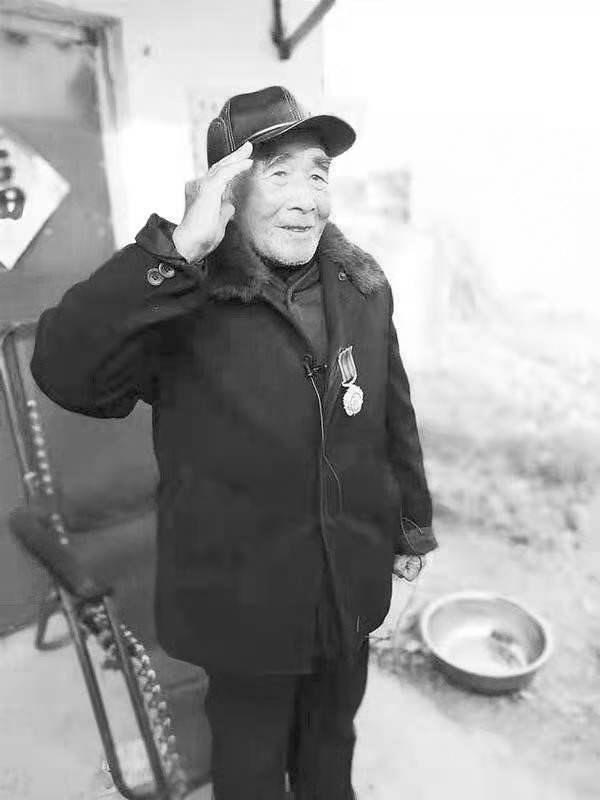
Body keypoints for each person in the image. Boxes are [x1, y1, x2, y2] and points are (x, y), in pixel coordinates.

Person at [30, 85, 438, 800]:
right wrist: (177, 248)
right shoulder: (180, 299)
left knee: (332, 742)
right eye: (279, 173)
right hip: (244, 605)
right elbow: (66, 371)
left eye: (319, 174)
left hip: (347, 581)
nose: (307, 199)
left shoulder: (362, 285)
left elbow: (392, 418)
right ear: (227, 188)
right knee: (250, 761)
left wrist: (410, 536)